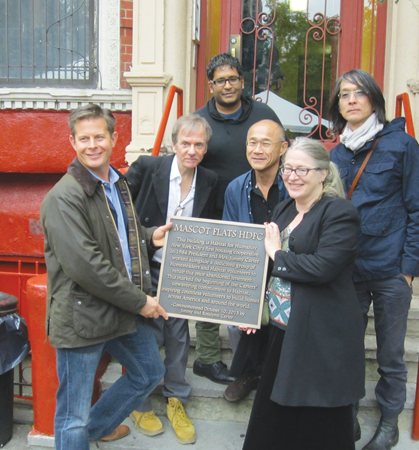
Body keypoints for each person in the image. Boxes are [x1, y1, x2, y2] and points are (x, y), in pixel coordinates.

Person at [40, 104, 173, 450]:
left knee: (148, 373)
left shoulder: (116, 182)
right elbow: (87, 266)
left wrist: (147, 236)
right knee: (72, 415)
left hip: (117, 309)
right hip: (83, 316)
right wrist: (141, 302)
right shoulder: (63, 197)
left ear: (114, 138)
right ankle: (80, 435)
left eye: (99, 136)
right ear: (72, 142)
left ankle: (94, 430)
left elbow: (113, 237)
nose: (92, 145)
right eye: (84, 138)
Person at [329, 69, 419, 450]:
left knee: (390, 354)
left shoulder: (402, 145)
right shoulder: (336, 153)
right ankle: (349, 414)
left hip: (391, 270)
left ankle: (389, 423)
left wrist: (408, 270)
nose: (351, 100)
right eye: (344, 95)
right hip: (348, 270)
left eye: (359, 93)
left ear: (374, 99)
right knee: (347, 347)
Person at [242, 138, 365, 450]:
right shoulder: (285, 207)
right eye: (287, 169)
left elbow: (323, 267)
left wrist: (277, 254)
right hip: (283, 330)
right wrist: (250, 310)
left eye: (301, 169)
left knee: (317, 419)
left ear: (322, 173)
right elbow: (264, 267)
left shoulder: (339, 212)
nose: (292, 176)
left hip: (320, 335)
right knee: (273, 417)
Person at [125, 115, 218, 444]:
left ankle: (176, 398)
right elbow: (120, 213)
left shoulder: (210, 180)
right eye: (186, 144)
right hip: (144, 264)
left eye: (199, 145)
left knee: (178, 335)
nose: (192, 150)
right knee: (143, 334)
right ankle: (138, 401)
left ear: (206, 148)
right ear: (174, 144)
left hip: (182, 268)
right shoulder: (148, 168)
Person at [193, 53, 283, 384]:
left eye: (233, 79)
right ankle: (210, 358)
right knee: (212, 290)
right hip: (214, 212)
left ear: (243, 83)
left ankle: (255, 365)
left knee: (257, 289)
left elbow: (279, 150)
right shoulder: (201, 119)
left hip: (257, 211)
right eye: (220, 80)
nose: (227, 85)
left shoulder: (262, 114)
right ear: (211, 85)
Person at [221, 119, 288, 403]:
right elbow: (229, 233)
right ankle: (246, 374)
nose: (257, 149)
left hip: (286, 268)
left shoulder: (293, 183)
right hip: (249, 268)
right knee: (237, 318)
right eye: (252, 142)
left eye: (266, 143)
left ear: (283, 148)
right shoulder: (236, 187)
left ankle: (278, 378)